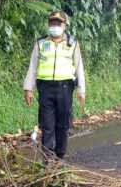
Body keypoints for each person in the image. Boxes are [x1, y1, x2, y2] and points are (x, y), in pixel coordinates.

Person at [23, 10, 86, 158]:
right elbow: (32, 66)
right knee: (47, 124)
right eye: (52, 23)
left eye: (58, 23)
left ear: (65, 25)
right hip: (45, 89)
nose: (54, 26)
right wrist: (28, 88)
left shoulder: (72, 44)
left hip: (65, 88)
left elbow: (79, 67)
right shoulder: (41, 43)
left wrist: (81, 90)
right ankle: (48, 159)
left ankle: (60, 156)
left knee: (62, 125)